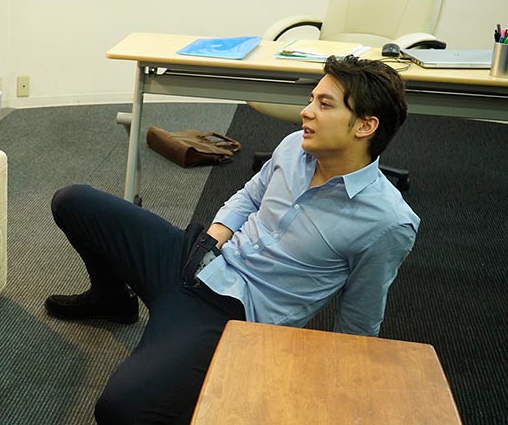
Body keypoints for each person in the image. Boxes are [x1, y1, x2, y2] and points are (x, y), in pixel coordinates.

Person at [45, 55, 420, 424]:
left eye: (324, 104)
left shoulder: (387, 222)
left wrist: (333, 399)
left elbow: (358, 323)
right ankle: (112, 299)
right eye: (311, 100)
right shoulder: (295, 146)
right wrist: (214, 236)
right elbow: (251, 195)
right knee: (73, 202)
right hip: (199, 258)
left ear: (365, 126)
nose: (306, 112)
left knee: (120, 409)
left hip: (232, 315)